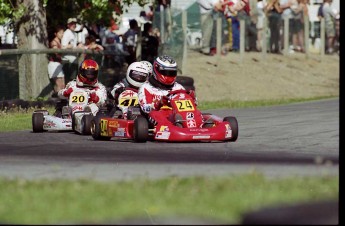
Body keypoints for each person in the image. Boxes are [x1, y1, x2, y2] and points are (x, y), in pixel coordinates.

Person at [61, 18, 84, 83]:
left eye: (75, 23)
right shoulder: (66, 33)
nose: (74, 25)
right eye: (72, 24)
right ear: (68, 25)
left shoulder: (73, 33)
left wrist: (78, 46)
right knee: (69, 82)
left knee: (73, 81)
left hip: (73, 60)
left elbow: (73, 46)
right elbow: (63, 47)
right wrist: (72, 46)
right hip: (68, 61)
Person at [47, 25, 65, 95]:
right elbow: (56, 51)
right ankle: (57, 101)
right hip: (54, 65)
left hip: (58, 65)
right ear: (56, 34)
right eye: (60, 33)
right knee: (58, 85)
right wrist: (64, 49)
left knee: (63, 85)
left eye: (62, 33)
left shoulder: (60, 42)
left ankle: (62, 101)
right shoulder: (54, 42)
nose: (62, 34)